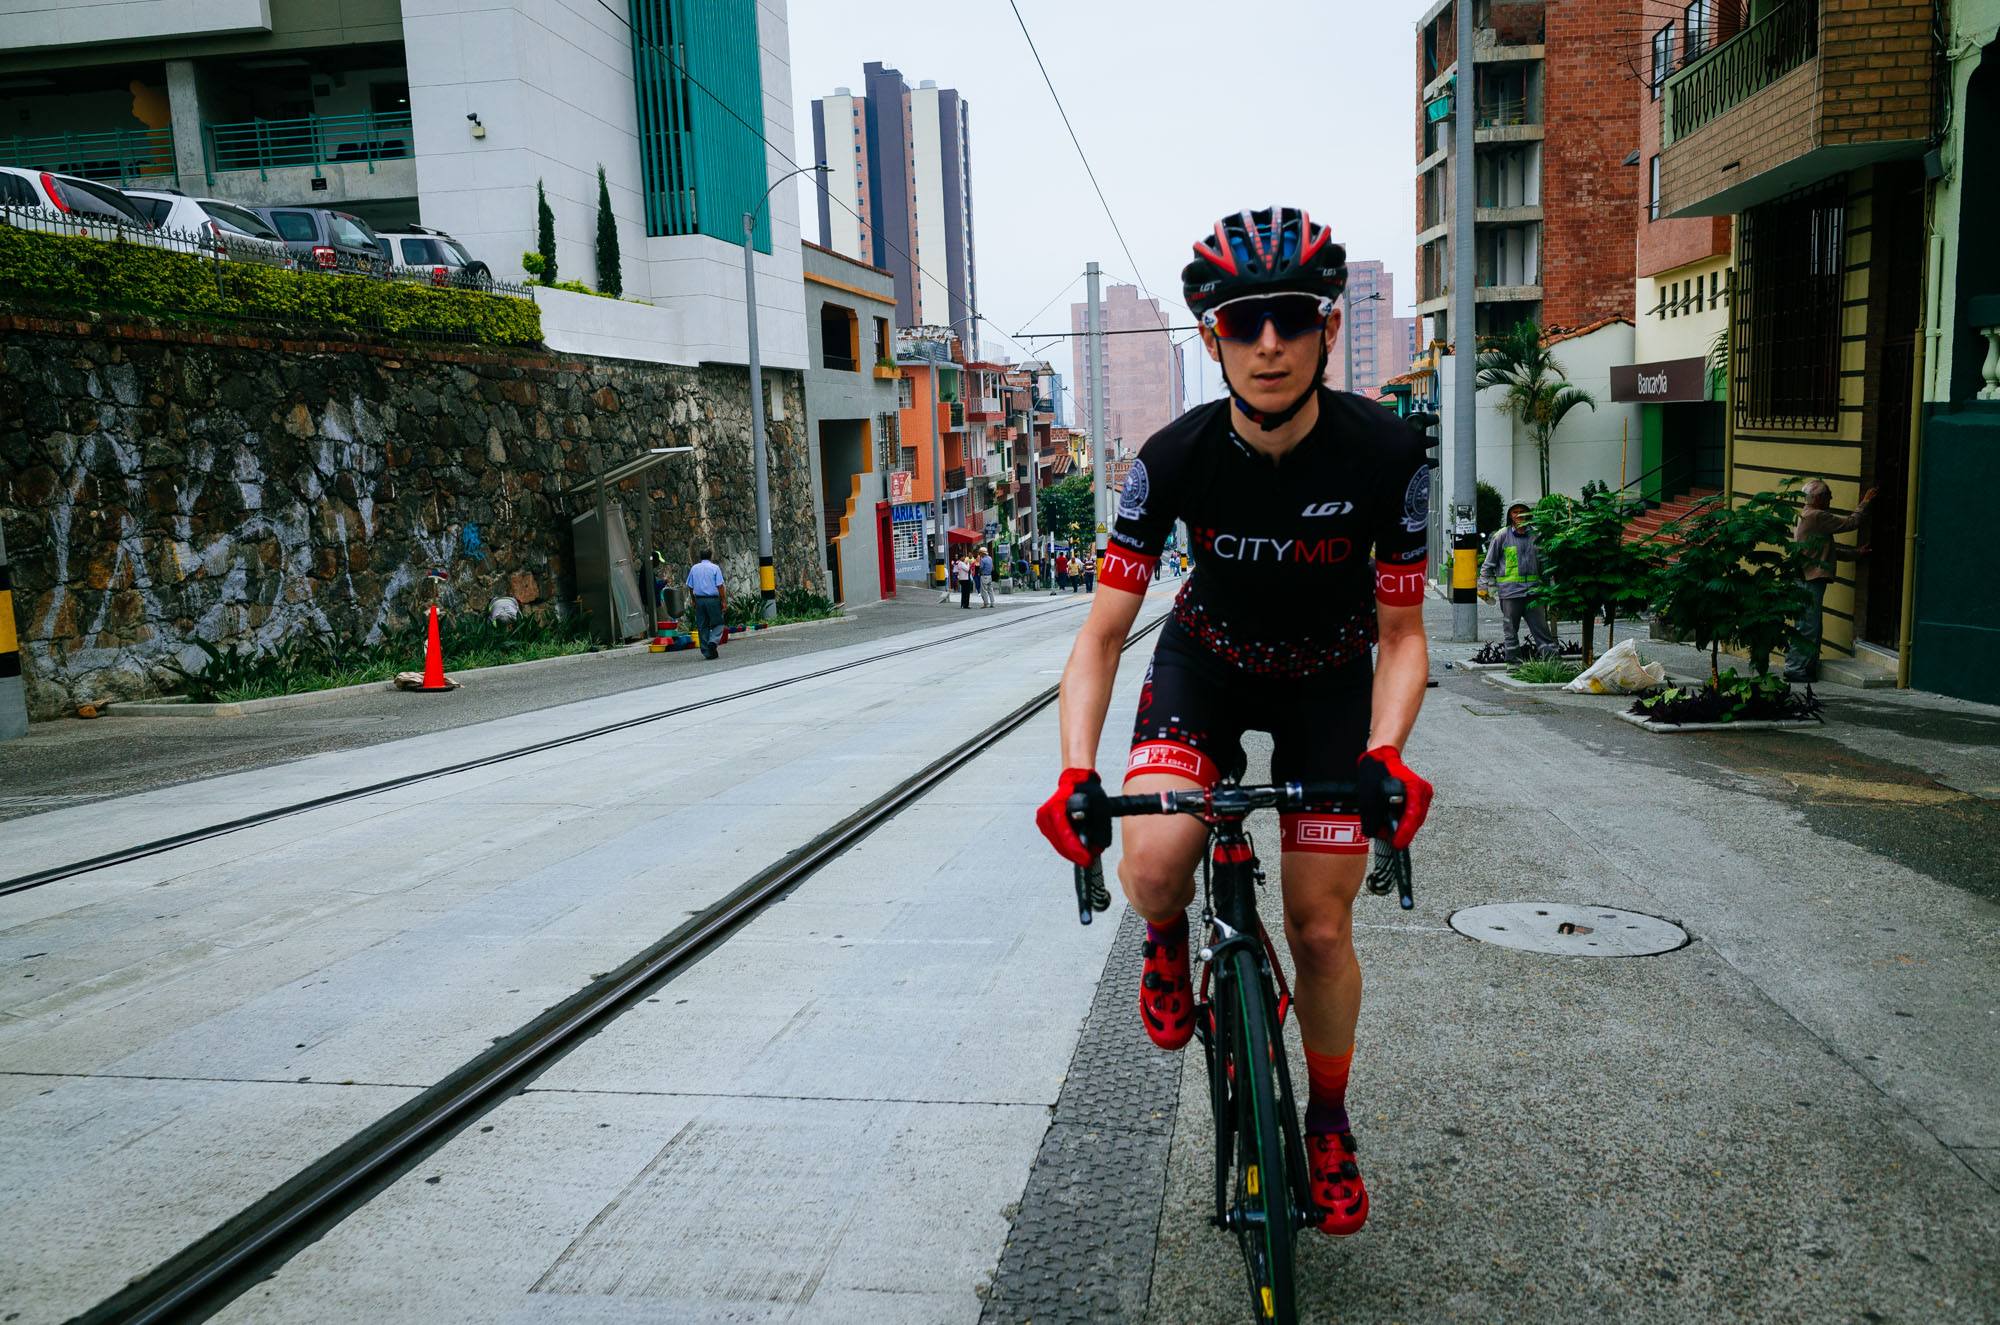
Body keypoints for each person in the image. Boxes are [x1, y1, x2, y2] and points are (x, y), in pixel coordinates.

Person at [1035, 206, 1435, 1241]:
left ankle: (1330, 1117)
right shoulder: (1169, 458)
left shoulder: (1386, 452)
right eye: (1243, 319)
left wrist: (1386, 752)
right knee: (1155, 863)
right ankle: (1166, 940)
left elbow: (1400, 635)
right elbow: (1099, 639)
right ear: (1211, 333)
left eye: (1292, 318)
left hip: (1328, 684)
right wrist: (1077, 771)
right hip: (1203, 665)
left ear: (1324, 329)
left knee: (1318, 923)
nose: (1268, 342)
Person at [1785, 479, 1876, 682]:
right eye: (1828, 494)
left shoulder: (1805, 514)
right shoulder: (1817, 516)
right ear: (1818, 498)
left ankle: (1803, 667)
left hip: (1804, 577)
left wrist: (1855, 554)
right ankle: (1795, 669)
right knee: (1808, 626)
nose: (1831, 498)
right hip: (1809, 579)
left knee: (1808, 625)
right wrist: (1865, 502)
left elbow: (1825, 551)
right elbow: (1851, 523)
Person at [1478, 500, 1557, 662]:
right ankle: (1513, 664)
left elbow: (1546, 565)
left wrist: (1552, 588)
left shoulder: (1537, 535)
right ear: (1510, 516)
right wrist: (1482, 586)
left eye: (1523, 511)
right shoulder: (1501, 536)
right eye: (1515, 512)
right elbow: (1488, 564)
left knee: (1542, 630)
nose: (1519, 515)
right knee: (1510, 632)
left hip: (1534, 593)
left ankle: (1551, 663)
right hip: (1510, 593)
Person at [685, 549, 726, 660]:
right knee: (718, 623)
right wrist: (723, 601)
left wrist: (693, 600)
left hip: (699, 600)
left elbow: (690, 586)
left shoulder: (694, 568)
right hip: (712, 600)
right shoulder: (715, 568)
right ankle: (713, 641)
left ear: (700, 557)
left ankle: (707, 652)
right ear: (711, 557)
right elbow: (720, 586)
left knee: (702, 625)